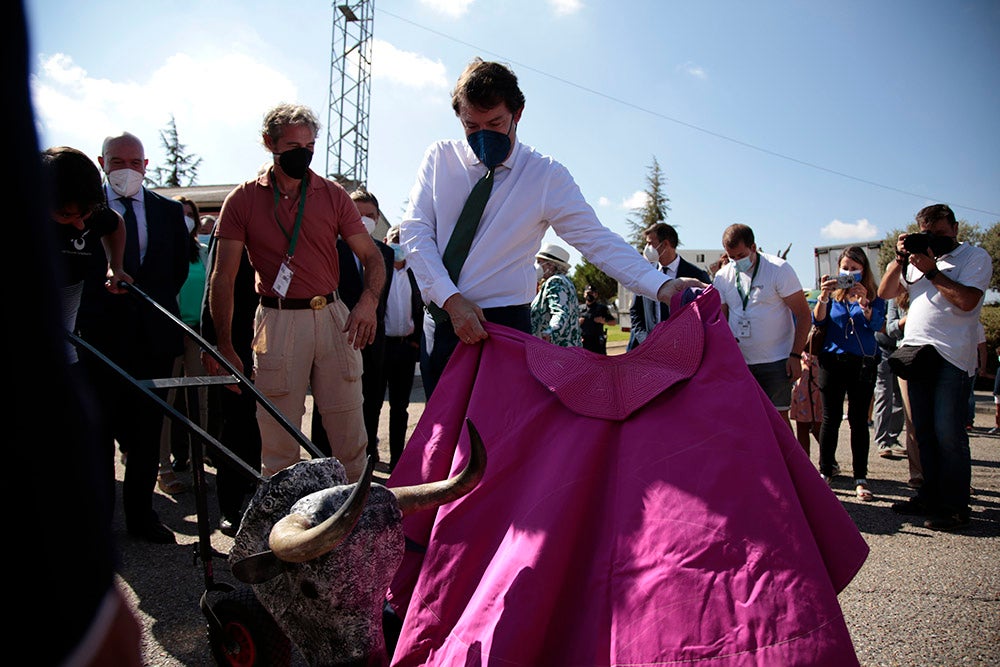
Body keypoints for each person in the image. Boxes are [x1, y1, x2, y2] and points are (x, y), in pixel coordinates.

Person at [400, 58, 700, 397]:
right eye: (471, 126)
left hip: (503, 327)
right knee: (443, 434)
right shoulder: (440, 158)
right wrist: (451, 300)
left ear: (519, 113)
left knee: (503, 435)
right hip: (441, 319)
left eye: (495, 123)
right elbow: (415, 232)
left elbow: (596, 240)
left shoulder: (545, 176)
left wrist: (661, 286)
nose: (483, 136)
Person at [207, 103, 385, 482]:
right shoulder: (242, 200)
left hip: (334, 316)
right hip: (277, 318)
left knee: (349, 434)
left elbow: (372, 257)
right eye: (292, 145)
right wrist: (225, 344)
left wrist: (367, 302)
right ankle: (285, 533)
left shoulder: (333, 195)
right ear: (269, 143)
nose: (302, 153)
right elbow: (223, 278)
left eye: (309, 145)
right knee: (278, 440)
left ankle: (354, 528)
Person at [76, 131, 191, 545]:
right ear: (102, 162)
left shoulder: (168, 211)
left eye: (134, 161)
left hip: (152, 338)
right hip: (97, 337)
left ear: (146, 166)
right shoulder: (83, 210)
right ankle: (98, 521)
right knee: (98, 432)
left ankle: (142, 517)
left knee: (146, 433)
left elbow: (177, 268)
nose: (126, 169)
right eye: (116, 160)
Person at [878, 203, 992, 531]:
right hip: (916, 354)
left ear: (955, 228)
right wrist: (902, 260)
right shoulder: (916, 260)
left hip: (952, 357)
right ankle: (929, 495)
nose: (937, 239)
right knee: (923, 432)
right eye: (930, 234)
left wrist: (932, 271)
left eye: (941, 233)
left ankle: (955, 506)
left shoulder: (974, 257)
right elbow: (886, 291)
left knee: (948, 434)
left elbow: (968, 300)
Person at [310, 188, 395, 467]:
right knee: (328, 406)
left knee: (371, 404)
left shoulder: (385, 253)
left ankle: (365, 464)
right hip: (337, 339)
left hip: (373, 341)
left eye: (370, 216)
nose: (364, 222)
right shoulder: (330, 249)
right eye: (358, 216)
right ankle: (322, 464)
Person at [712, 223, 812, 428]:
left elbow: (803, 314)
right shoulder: (722, 277)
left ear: (753, 247)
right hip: (740, 362)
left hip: (776, 361)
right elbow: (720, 321)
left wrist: (795, 356)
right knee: (744, 423)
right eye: (731, 257)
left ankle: (786, 461)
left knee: (778, 422)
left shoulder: (778, 269)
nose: (736, 261)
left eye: (741, 255)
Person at [43, 146, 131, 365]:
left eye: (85, 215)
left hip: (68, 300)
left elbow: (115, 223)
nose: (80, 224)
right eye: (67, 216)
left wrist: (115, 266)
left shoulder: (85, 206)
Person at [812, 247, 887, 501]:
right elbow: (819, 322)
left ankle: (860, 477)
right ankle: (825, 472)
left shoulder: (874, 296)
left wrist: (864, 302)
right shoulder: (832, 294)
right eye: (845, 267)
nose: (849, 272)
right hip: (831, 361)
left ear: (864, 270)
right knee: (830, 418)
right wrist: (823, 296)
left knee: (858, 420)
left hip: (861, 364)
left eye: (855, 268)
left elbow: (877, 325)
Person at [155, 195, 209, 494]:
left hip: (197, 334)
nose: (184, 218)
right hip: (169, 331)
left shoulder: (203, 252)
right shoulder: (161, 250)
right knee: (166, 403)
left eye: (189, 213)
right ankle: (163, 469)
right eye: (180, 213)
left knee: (198, 403)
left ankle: (200, 466)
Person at [380, 225, 424, 471]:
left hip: (405, 347)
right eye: (395, 239)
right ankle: (370, 455)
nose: (399, 244)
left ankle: (398, 459)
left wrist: (415, 341)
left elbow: (422, 308)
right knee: (372, 403)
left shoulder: (415, 274)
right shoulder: (377, 270)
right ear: (386, 240)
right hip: (381, 347)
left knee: (400, 407)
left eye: (403, 240)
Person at [628, 222, 711, 350]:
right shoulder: (646, 274)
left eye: (650, 243)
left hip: (684, 350)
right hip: (651, 350)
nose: (647, 248)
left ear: (665, 244)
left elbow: (706, 314)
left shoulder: (696, 276)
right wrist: (645, 340)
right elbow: (635, 311)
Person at [886, 292, 921, 488]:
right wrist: (910, 318)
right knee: (912, 418)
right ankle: (917, 473)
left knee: (945, 422)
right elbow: (891, 329)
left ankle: (953, 475)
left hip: (944, 355)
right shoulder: (897, 294)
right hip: (908, 357)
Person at [872, 294, 907, 460]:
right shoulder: (889, 297)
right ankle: (882, 440)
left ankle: (892, 437)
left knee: (899, 397)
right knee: (884, 393)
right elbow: (889, 327)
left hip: (904, 350)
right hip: (883, 349)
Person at [530, 243, 582, 347]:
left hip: (555, 349)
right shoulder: (567, 282)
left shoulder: (555, 282)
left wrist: (550, 332)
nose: (537, 265)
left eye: (540, 262)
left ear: (551, 265)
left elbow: (560, 312)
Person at [579, 285, 617, 354]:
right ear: (584, 294)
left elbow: (614, 322)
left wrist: (604, 321)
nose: (590, 295)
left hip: (597, 342)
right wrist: (577, 322)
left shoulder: (601, 308)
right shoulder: (579, 309)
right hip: (583, 341)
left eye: (592, 293)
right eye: (588, 293)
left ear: (596, 295)